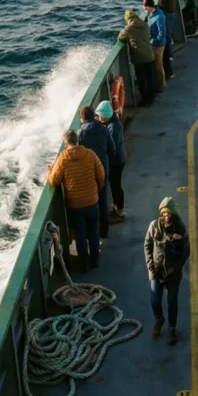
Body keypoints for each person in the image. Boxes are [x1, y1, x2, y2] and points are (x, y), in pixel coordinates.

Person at [47, 128, 105, 270]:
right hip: (92, 201)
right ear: (78, 141)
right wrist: (96, 191)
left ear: (66, 144)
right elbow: (101, 174)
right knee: (93, 232)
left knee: (80, 235)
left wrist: (50, 172)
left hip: (75, 206)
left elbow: (54, 180)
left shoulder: (63, 159)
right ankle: (95, 261)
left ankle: (84, 264)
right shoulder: (90, 154)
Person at [144, 196, 190, 345]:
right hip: (156, 272)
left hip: (173, 274)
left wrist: (176, 267)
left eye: (169, 213)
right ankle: (159, 319)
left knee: (172, 301)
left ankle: (171, 329)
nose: (166, 216)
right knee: (154, 299)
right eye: (164, 213)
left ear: (174, 214)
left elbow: (186, 250)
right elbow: (147, 245)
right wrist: (151, 267)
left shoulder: (181, 229)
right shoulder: (154, 226)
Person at [78, 104, 115, 240]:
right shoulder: (103, 129)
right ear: (94, 115)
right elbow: (112, 149)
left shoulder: (79, 134)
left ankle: (91, 233)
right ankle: (104, 230)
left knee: (90, 202)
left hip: (88, 174)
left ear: (82, 119)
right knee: (103, 201)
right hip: (102, 170)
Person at [118, 7, 157, 106]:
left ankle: (145, 100)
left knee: (142, 81)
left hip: (139, 59)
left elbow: (121, 38)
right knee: (151, 79)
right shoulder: (144, 24)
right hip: (150, 55)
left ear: (127, 19)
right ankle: (152, 98)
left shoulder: (129, 28)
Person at [97, 99, 127, 221]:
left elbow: (112, 148)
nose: (99, 118)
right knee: (115, 185)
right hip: (118, 160)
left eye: (100, 116)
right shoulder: (112, 123)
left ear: (105, 116)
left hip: (116, 162)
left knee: (116, 186)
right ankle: (116, 207)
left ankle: (120, 212)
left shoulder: (113, 127)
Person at [143, 0, 167, 93]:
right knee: (155, 66)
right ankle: (157, 83)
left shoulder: (159, 17)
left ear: (149, 7)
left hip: (158, 46)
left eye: (145, 7)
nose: (144, 9)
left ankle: (161, 85)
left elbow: (162, 33)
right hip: (152, 44)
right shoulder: (151, 15)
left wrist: (154, 42)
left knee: (158, 65)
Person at [156, 0, 176, 79]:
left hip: (167, 15)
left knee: (166, 35)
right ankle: (169, 54)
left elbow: (161, 4)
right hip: (170, 14)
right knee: (167, 34)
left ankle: (169, 55)